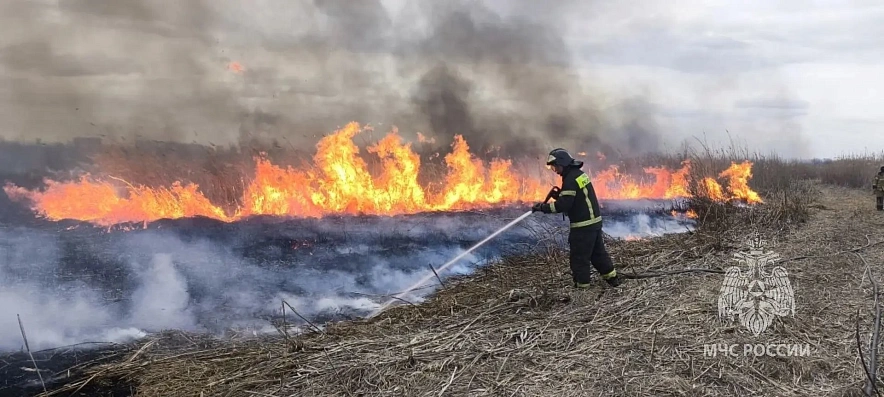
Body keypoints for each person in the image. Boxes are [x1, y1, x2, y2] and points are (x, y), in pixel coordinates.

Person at [532, 148, 623, 288]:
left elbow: (562, 206)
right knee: (598, 255)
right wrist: (561, 195)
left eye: (555, 166)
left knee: (579, 259)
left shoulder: (570, 180)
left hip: (583, 227)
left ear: (562, 163)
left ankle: (583, 290)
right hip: (594, 224)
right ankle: (613, 280)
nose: (555, 170)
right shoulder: (579, 175)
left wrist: (542, 208)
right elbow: (577, 197)